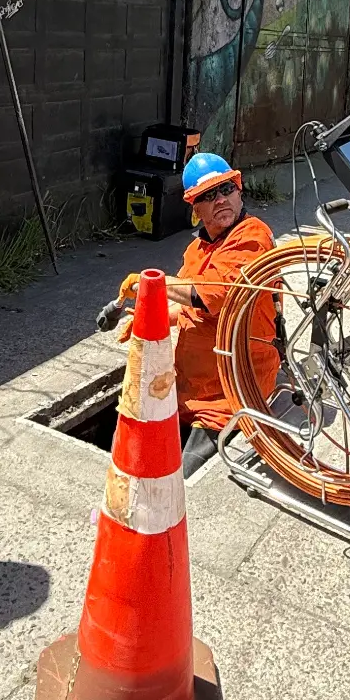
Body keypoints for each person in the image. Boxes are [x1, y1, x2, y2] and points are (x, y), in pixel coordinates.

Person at [109, 152, 278, 476]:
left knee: (180, 481)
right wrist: (150, 319)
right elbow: (189, 306)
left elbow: (209, 293)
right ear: (194, 207)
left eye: (226, 189)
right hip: (190, 387)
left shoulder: (252, 237)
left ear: (239, 189)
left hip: (232, 390)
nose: (221, 199)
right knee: (137, 452)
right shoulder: (197, 250)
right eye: (208, 195)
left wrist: (150, 282)